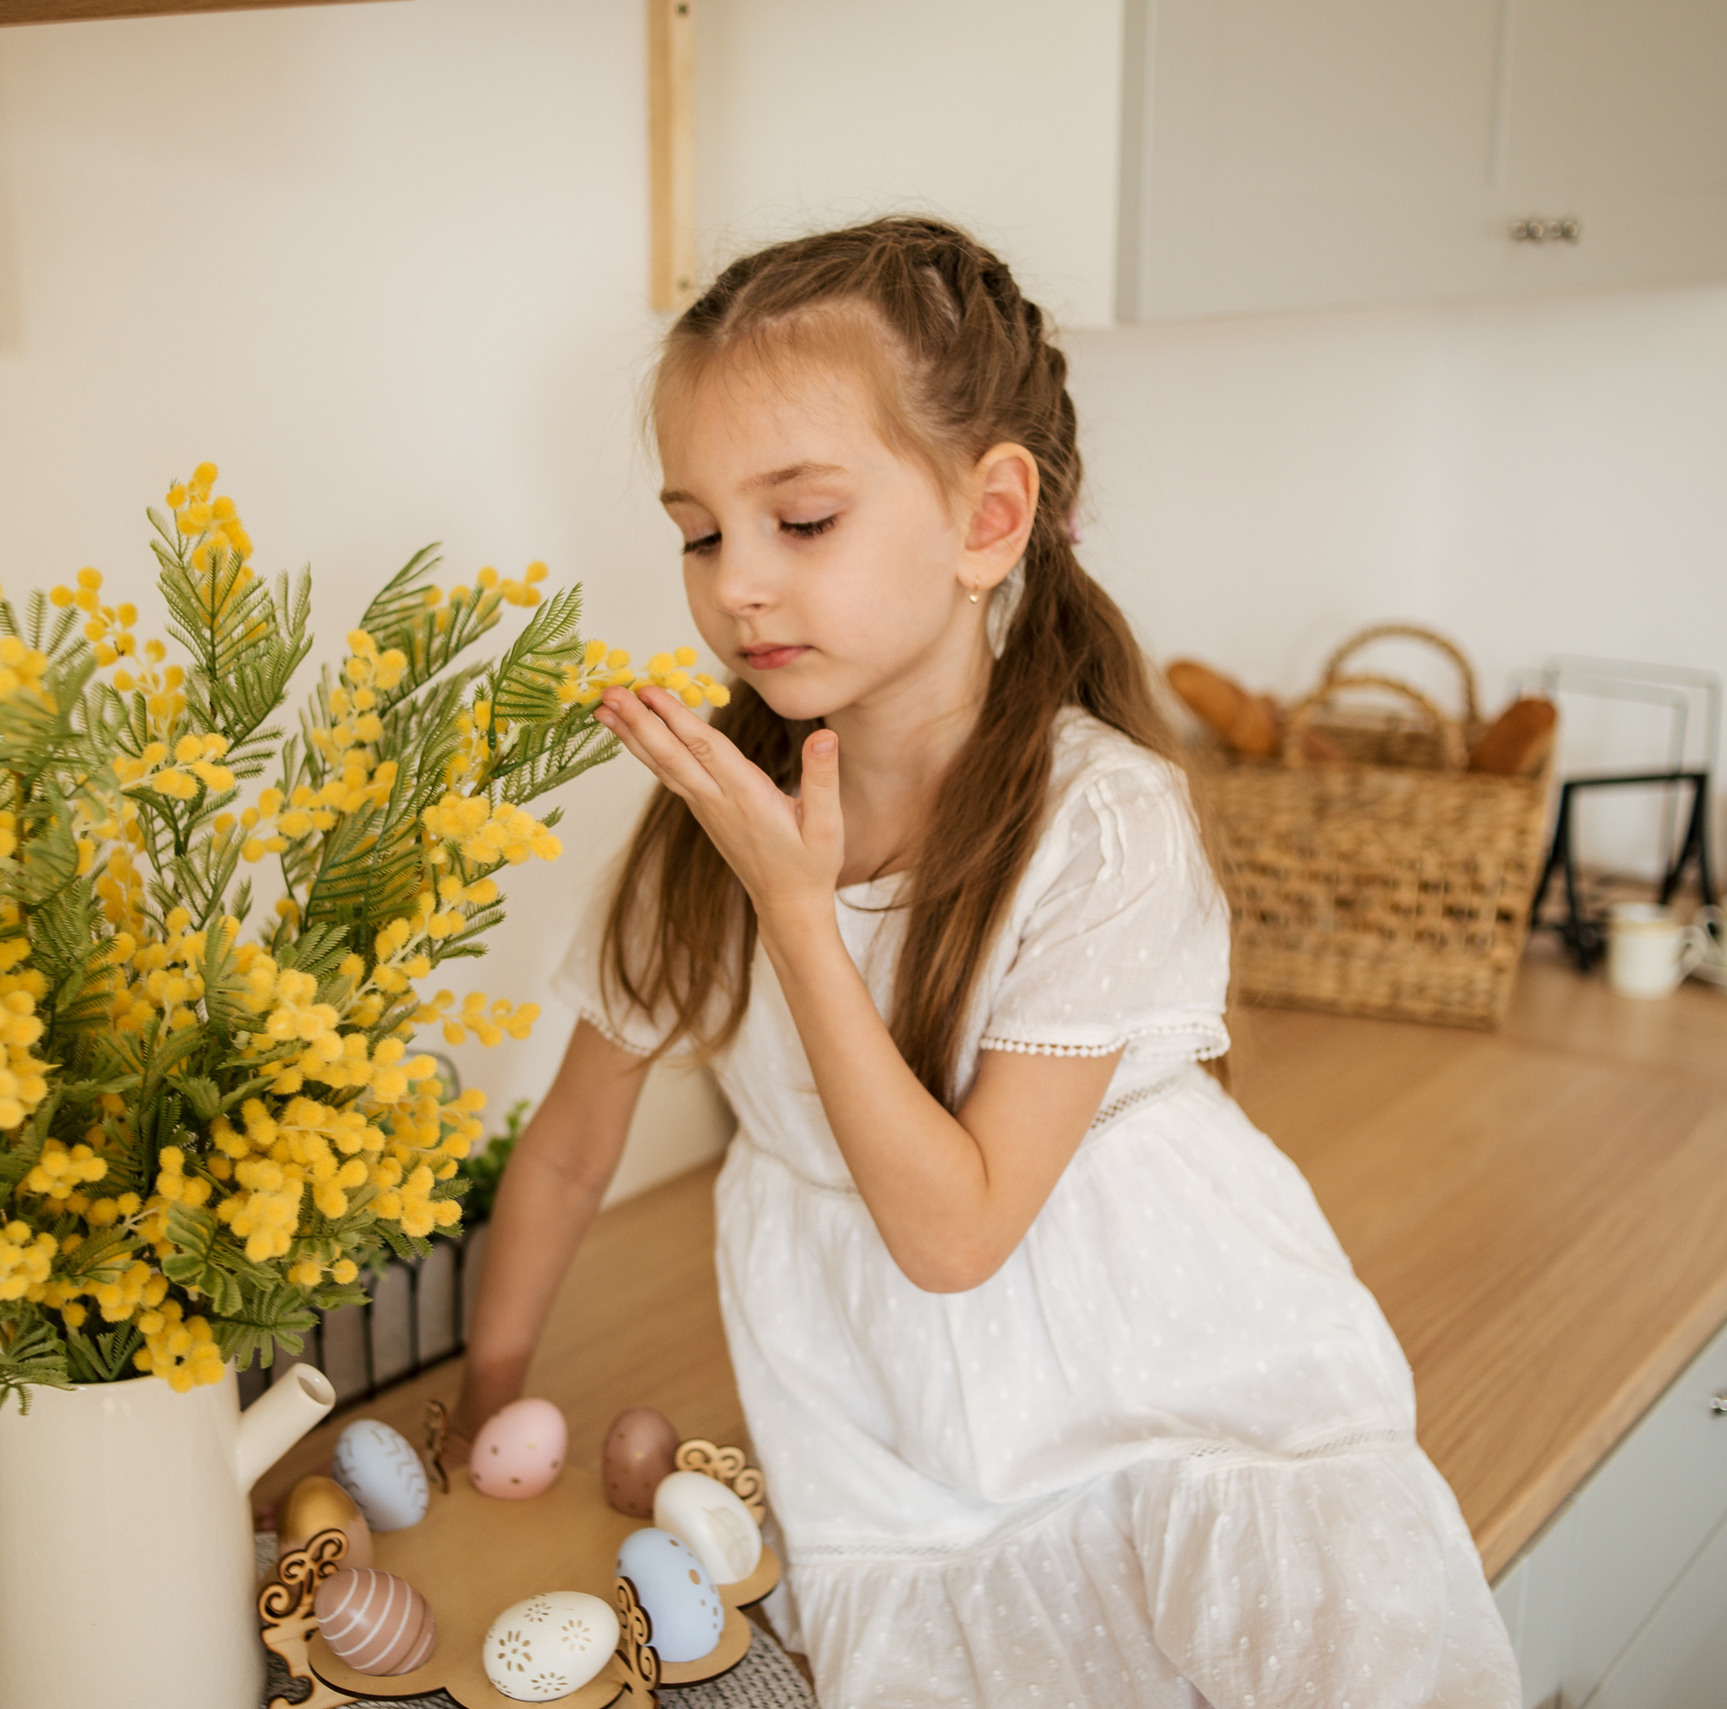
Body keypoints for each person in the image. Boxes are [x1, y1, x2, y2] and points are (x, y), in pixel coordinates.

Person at [457, 217, 1517, 1707]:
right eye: (699, 531)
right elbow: (571, 1148)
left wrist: (800, 916)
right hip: (885, 1425)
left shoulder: (1105, 822)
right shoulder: (715, 824)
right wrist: (482, 1400)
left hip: (1163, 1376)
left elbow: (954, 1239)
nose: (734, 586)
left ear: (988, 517)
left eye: (801, 521)